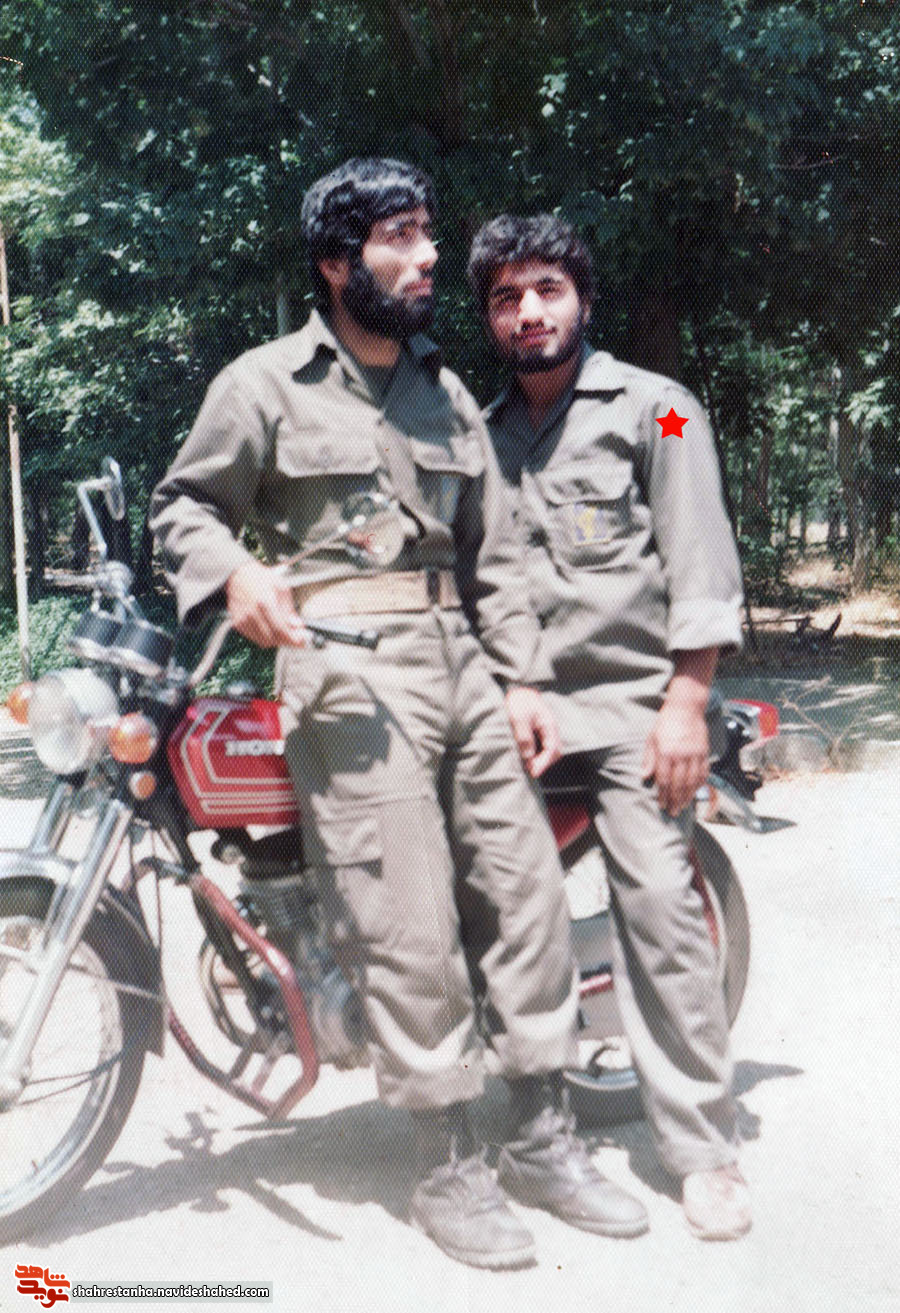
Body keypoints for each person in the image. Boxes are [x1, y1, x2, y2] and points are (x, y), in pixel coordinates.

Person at [150, 160, 648, 1269]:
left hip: (466, 663)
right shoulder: (264, 384)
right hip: (344, 670)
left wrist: (523, 679)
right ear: (339, 262)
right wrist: (236, 575)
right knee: (408, 921)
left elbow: (494, 555)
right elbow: (184, 507)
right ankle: (446, 1162)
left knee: (524, 895)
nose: (429, 257)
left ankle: (543, 1138)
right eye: (403, 236)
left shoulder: (445, 392)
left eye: (429, 233)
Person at [468, 213, 751, 1241]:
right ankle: (528, 1127)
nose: (528, 312)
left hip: (635, 708)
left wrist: (686, 704)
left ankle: (704, 1150)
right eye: (506, 297)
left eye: (547, 288)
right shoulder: (481, 433)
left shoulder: (658, 408)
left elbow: (701, 560)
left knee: (662, 913)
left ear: (583, 298)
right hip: (521, 713)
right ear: (490, 318)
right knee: (486, 907)